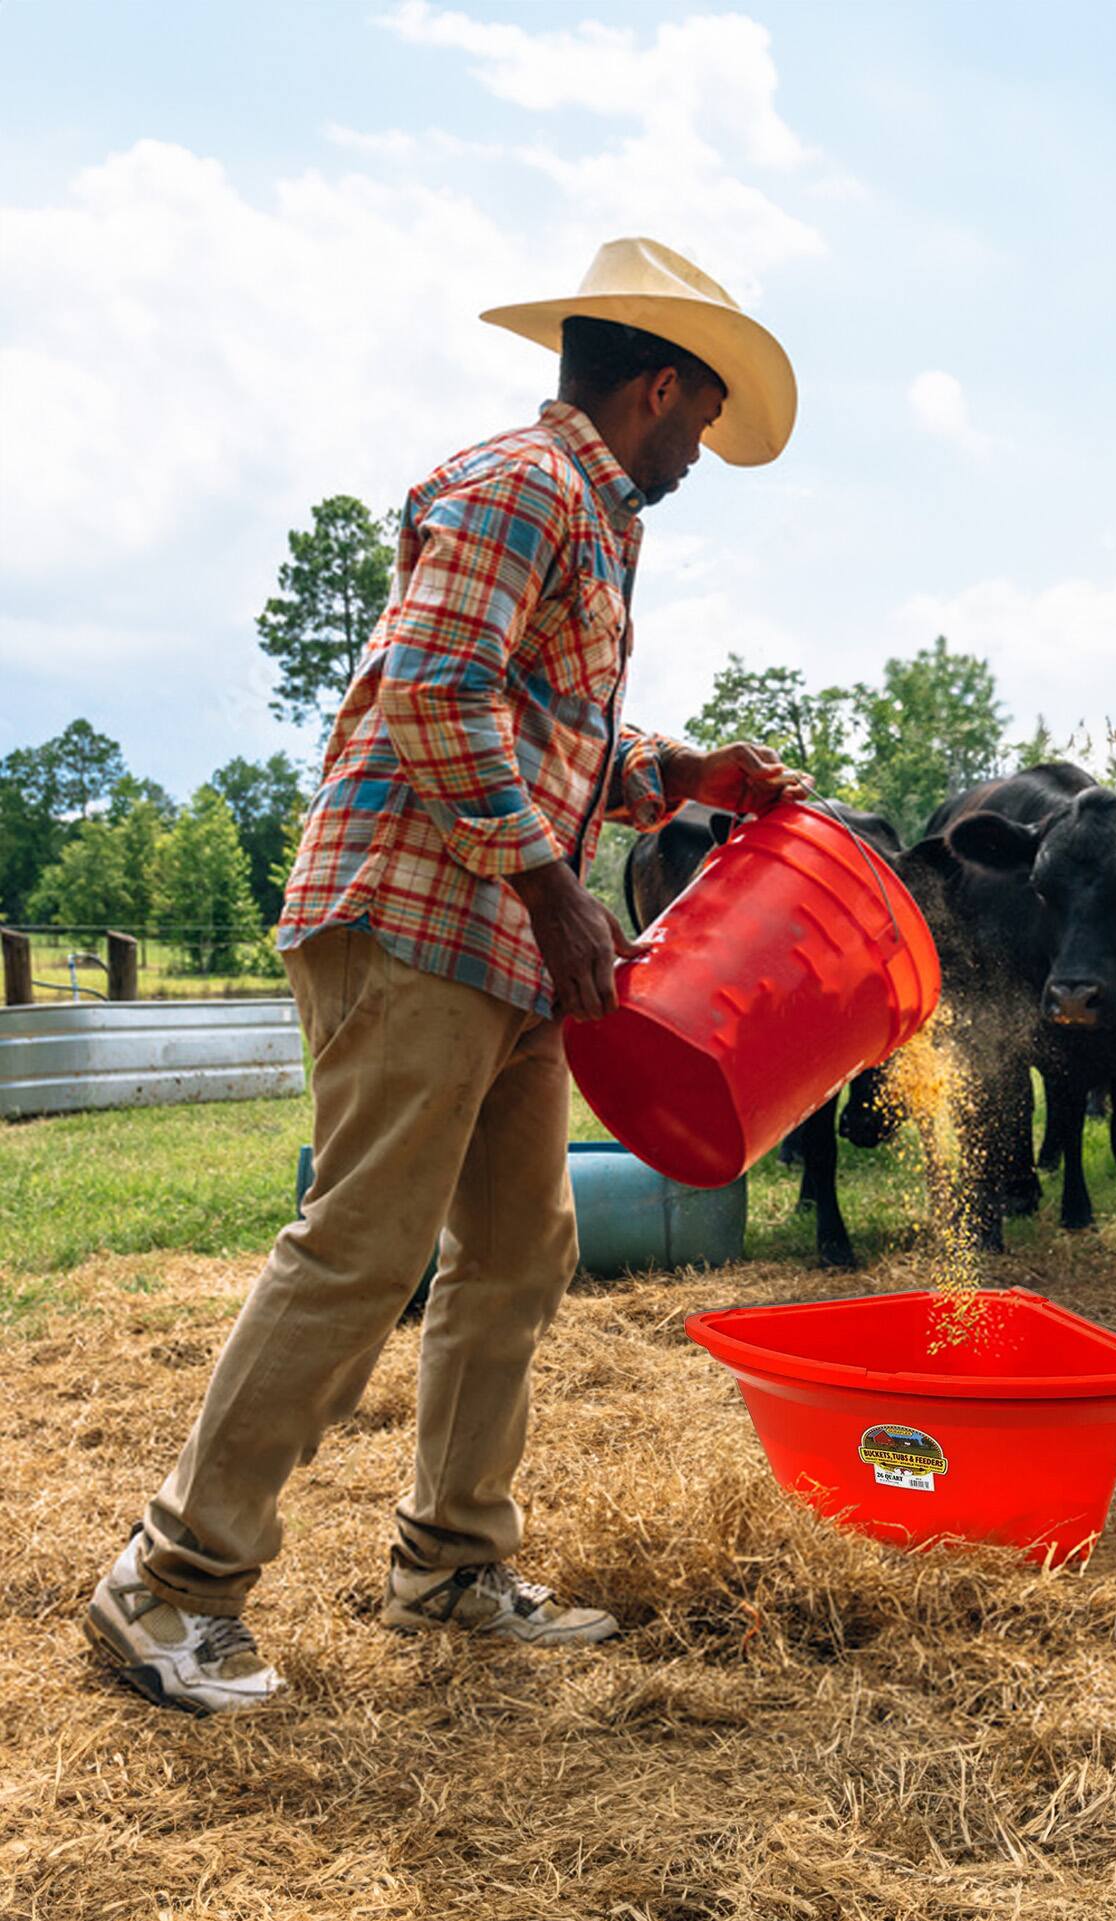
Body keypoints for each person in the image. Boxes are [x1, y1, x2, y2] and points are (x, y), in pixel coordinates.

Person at [86, 237, 809, 1715]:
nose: (703, 447)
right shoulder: (522, 484)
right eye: (704, 412)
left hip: (508, 940)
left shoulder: (590, 522)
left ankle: (452, 1562)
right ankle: (170, 1584)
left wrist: (684, 775)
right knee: (363, 1246)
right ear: (657, 387)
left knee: (519, 1250)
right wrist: (554, 890)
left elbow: (541, 725)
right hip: (424, 914)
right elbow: (433, 689)